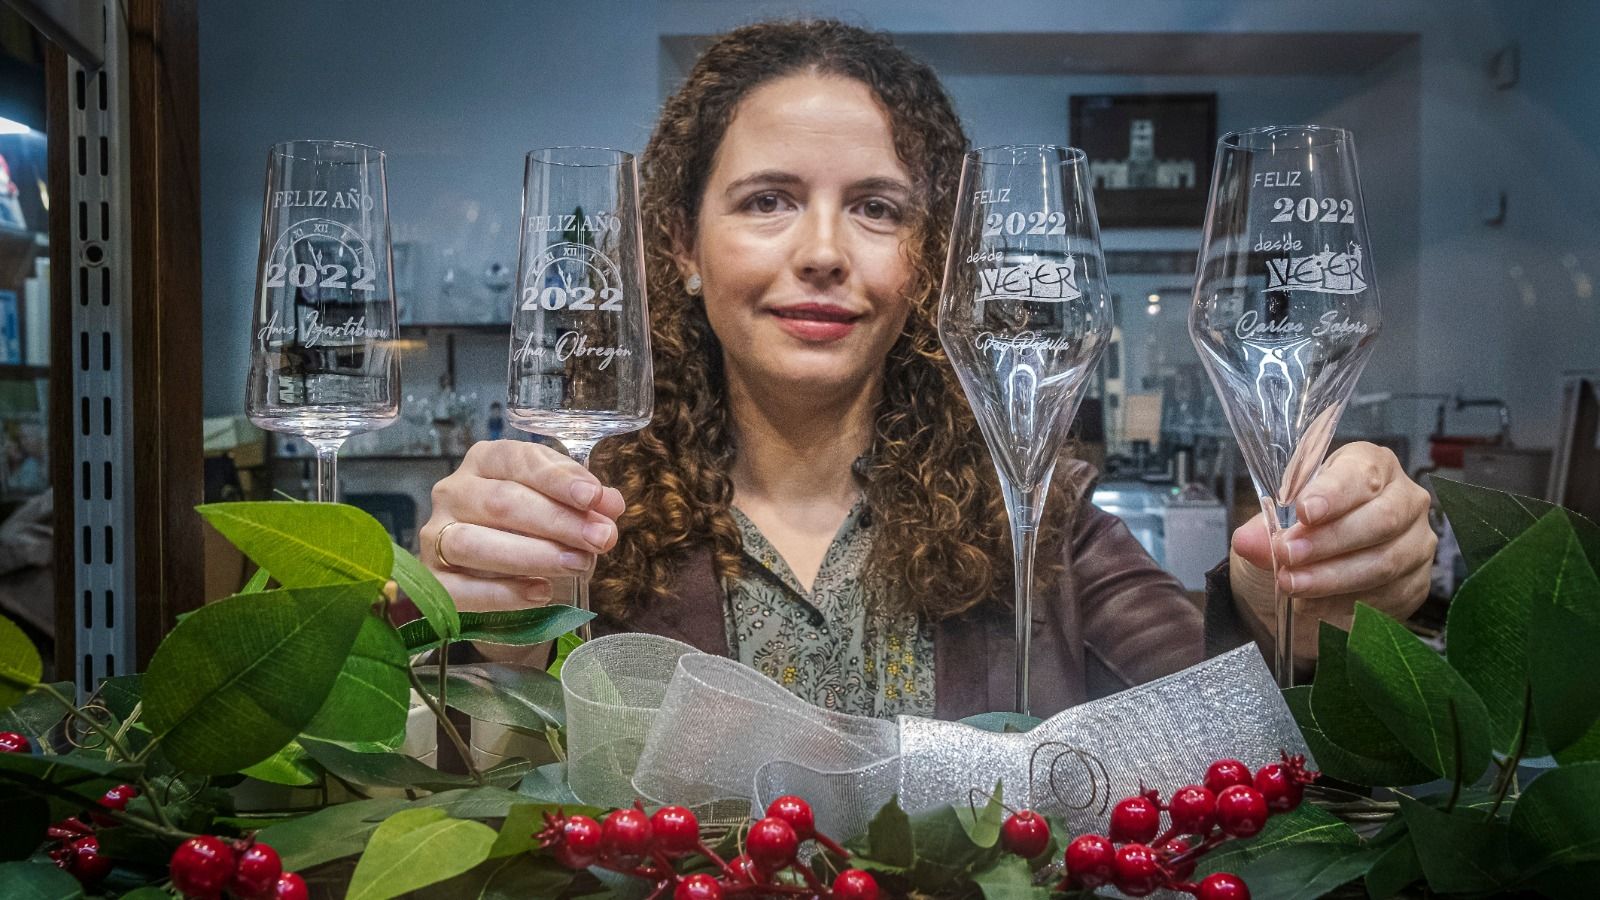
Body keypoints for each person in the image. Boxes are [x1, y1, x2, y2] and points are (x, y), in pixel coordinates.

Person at [421, 19, 1435, 720]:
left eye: (877, 207)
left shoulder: (1040, 522)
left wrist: (1294, 606)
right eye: (768, 200)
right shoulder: (578, 523)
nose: (824, 251)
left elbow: (1220, 711)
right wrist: (493, 631)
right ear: (682, 244)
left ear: (929, 259)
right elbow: (479, 789)